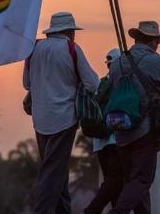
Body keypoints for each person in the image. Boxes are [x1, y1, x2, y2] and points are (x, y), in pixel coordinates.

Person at [23, 12, 99, 214]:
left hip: (40, 119)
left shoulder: (34, 49)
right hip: (64, 119)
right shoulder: (71, 49)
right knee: (52, 173)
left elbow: (27, 84)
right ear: (69, 32)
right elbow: (92, 84)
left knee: (57, 171)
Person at [107, 21, 160, 214]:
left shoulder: (118, 62)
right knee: (142, 180)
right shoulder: (158, 61)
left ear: (136, 39)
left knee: (133, 182)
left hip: (120, 130)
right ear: (153, 41)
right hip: (145, 131)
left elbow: (113, 90)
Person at [84, 49, 122, 214]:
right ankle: (92, 210)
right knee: (115, 181)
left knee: (113, 183)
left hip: (99, 142)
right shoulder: (121, 84)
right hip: (115, 139)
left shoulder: (100, 84)